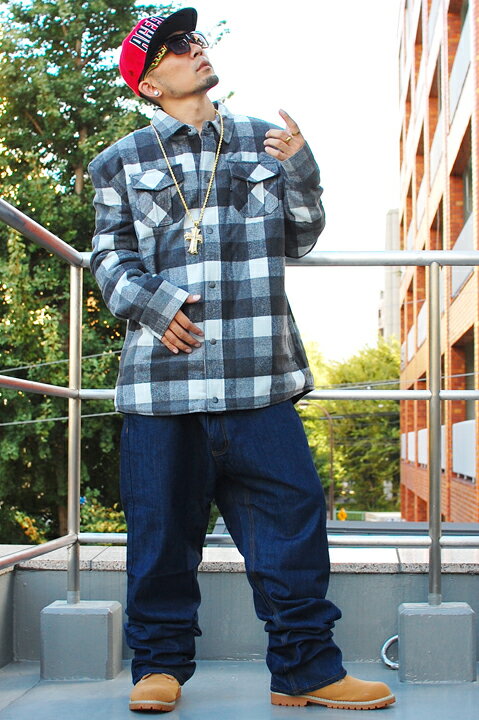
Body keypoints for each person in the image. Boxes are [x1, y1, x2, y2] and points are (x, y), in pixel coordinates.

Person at [88, 7, 395, 713]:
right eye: (173, 46)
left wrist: (303, 168)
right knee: (161, 539)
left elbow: (301, 237)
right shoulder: (118, 162)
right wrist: (155, 304)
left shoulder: (264, 139)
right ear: (148, 84)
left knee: (293, 533)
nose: (193, 47)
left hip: (260, 379)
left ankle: (305, 670)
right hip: (163, 388)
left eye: (193, 37)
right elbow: (108, 257)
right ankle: (158, 668)